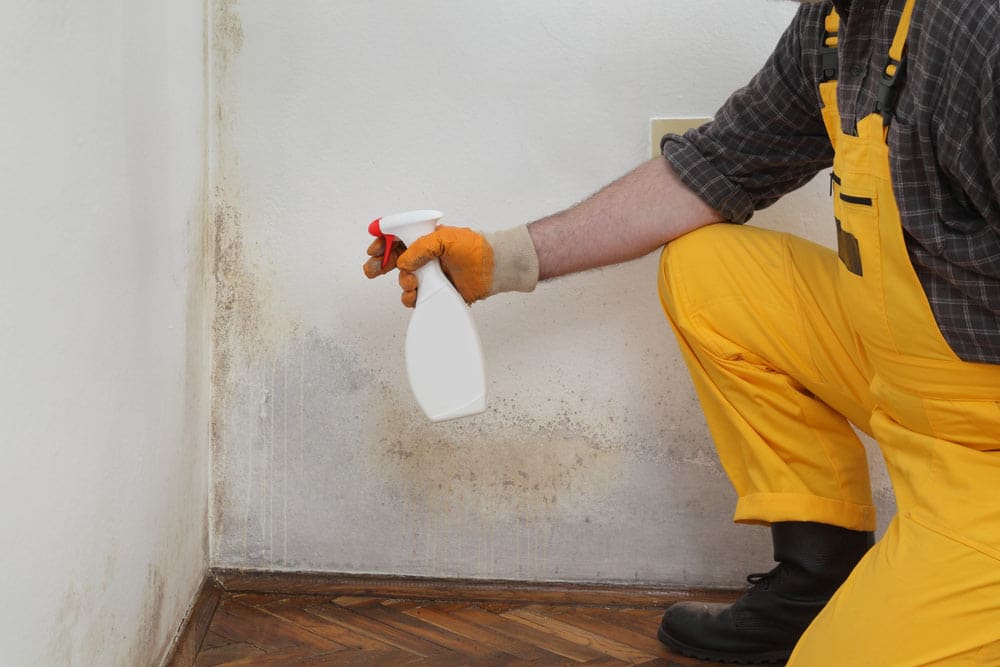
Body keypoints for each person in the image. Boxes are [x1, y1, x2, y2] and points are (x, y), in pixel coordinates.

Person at [364, 0, 1000, 663]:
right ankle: (820, 582)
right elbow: (714, 167)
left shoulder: (979, 33)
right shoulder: (839, 23)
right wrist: (499, 261)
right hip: (921, 378)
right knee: (708, 272)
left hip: (986, 455)